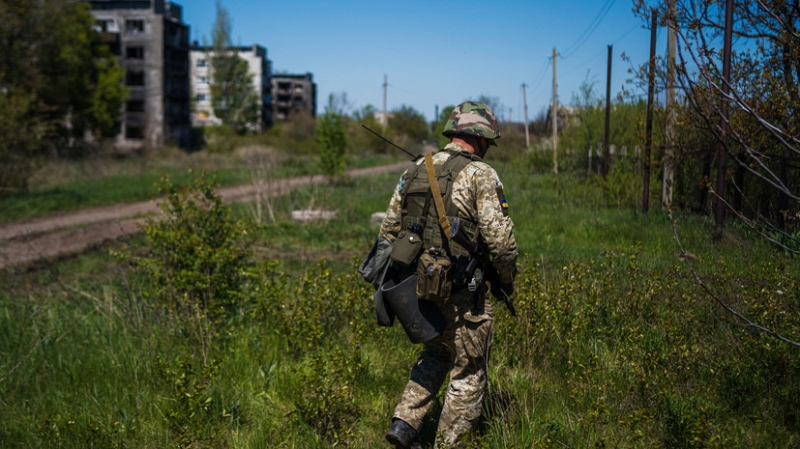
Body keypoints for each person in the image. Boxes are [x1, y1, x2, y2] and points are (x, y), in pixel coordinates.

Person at [376, 101, 518, 448]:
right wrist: (505, 280)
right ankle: (449, 443)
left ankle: (405, 424)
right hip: (465, 288)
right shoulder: (481, 174)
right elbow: (501, 244)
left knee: (436, 353)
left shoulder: (415, 169)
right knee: (469, 369)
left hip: (418, 286)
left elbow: (388, 230)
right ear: (480, 137)